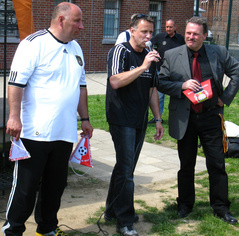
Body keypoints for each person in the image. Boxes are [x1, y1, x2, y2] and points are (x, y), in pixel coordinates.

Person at [2, 2, 93, 236]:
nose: (82, 26)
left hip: (64, 133)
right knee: (25, 188)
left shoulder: (76, 49)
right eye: (77, 21)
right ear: (61, 20)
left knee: (55, 187)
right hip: (34, 132)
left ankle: (47, 229)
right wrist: (14, 117)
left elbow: (81, 86)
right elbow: (16, 84)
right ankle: (13, 230)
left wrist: (85, 118)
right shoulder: (33, 44)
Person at [158, 16, 239, 224]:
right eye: (188, 33)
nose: (190, 37)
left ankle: (221, 207)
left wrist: (225, 98)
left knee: (217, 164)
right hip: (185, 118)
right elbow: (160, 82)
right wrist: (181, 86)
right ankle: (185, 205)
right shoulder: (171, 55)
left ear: (204, 36)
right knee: (186, 165)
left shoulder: (218, 53)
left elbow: (238, 72)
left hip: (211, 117)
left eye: (195, 33)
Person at [105, 13, 164, 236]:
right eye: (143, 32)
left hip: (139, 119)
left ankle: (112, 210)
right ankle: (125, 221)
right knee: (127, 171)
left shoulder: (150, 54)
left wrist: (157, 119)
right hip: (121, 118)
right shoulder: (120, 50)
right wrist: (143, 66)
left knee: (125, 167)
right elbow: (115, 81)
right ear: (132, 31)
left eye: (150, 32)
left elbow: (152, 89)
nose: (148, 36)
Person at [148, 18, 185, 124]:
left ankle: (177, 118)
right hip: (161, 71)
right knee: (159, 96)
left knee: (176, 95)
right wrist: (153, 51)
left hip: (176, 71)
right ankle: (157, 118)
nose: (168, 29)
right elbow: (148, 43)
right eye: (167, 27)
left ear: (175, 27)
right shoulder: (160, 37)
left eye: (170, 27)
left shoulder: (181, 39)